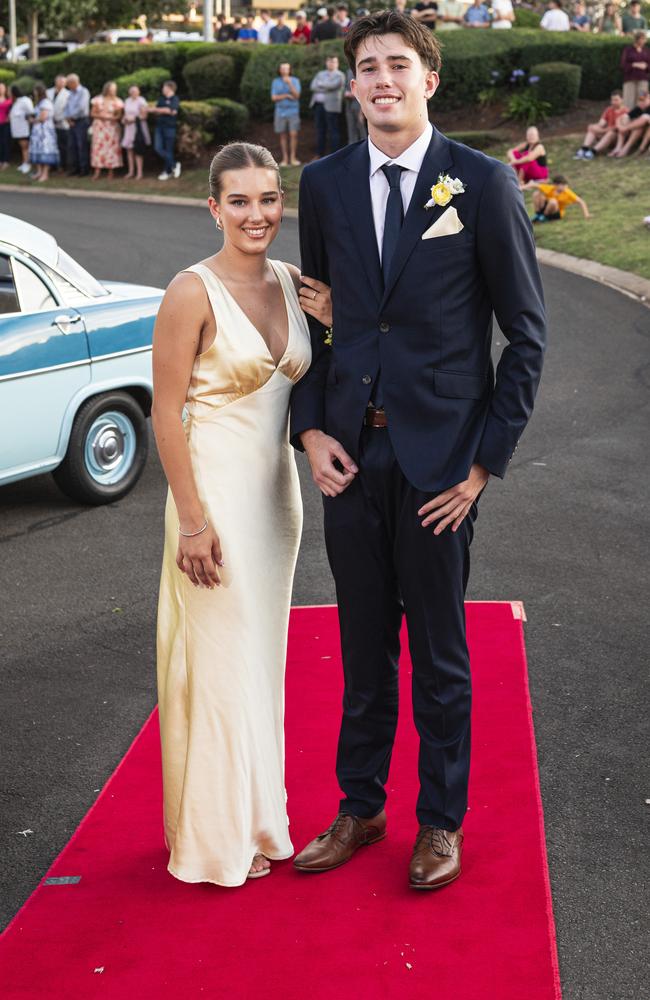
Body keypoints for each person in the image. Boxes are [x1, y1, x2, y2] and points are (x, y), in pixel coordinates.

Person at [291, 10, 546, 889]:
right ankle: (360, 808)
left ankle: (440, 822)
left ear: (429, 80)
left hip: (442, 465)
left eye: (399, 65)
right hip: (350, 458)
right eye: (368, 67)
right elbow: (316, 323)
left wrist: (482, 467)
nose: (383, 80)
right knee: (363, 649)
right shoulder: (322, 185)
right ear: (351, 84)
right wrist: (310, 429)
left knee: (440, 654)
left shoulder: (481, 182)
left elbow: (527, 336)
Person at [152, 141, 314, 886]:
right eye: (241, 201)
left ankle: (258, 818)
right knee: (219, 667)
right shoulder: (191, 290)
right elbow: (164, 412)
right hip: (211, 498)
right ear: (213, 207)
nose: (258, 214)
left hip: (276, 498)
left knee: (259, 667)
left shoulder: (291, 282)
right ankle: (215, 843)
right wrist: (191, 519)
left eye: (270, 199)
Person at [310, 54, 345, 158]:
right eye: (329, 61)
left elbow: (334, 85)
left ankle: (335, 156)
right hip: (318, 105)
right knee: (320, 130)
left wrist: (321, 84)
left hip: (332, 106)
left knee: (333, 130)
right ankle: (319, 154)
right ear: (326, 62)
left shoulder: (340, 75)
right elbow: (313, 86)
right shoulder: (320, 73)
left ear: (337, 63)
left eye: (334, 61)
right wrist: (326, 86)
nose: (331, 63)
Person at [574, 90, 628, 157]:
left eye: (616, 100)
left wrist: (602, 130)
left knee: (611, 133)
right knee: (592, 128)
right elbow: (601, 123)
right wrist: (593, 127)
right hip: (606, 133)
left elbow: (616, 128)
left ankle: (593, 152)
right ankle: (584, 149)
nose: (613, 102)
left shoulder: (626, 111)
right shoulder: (609, 109)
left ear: (622, 100)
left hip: (616, 138)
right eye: (612, 100)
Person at [90, 81, 124, 181]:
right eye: (111, 89)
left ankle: (111, 171)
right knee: (98, 148)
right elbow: (92, 113)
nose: (113, 91)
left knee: (111, 149)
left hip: (112, 128)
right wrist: (102, 116)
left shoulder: (118, 101)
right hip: (100, 127)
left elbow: (119, 115)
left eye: (114, 89)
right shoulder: (98, 99)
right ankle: (97, 171)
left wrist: (112, 118)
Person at [271, 61, 301, 166]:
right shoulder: (275, 81)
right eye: (282, 68)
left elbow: (297, 96)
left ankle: (293, 158)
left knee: (293, 134)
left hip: (293, 111)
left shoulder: (295, 81)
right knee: (283, 135)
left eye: (286, 68)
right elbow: (274, 98)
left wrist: (289, 84)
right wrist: (286, 96)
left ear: (289, 70)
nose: (284, 70)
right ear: (279, 70)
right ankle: (285, 158)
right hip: (280, 112)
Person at [28, 84, 59, 182]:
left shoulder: (45, 102)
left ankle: (45, 174)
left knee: (45, 151)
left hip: (44, 132)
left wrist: (32, 120)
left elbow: (43, 117)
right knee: (37, 151)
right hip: (37, 132)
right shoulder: (39, 103)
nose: (34, 93)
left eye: (35, 91)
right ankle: (39, 172)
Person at [151, 80, 180, 181]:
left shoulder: (175, 99)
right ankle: (174, 164)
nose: (162, 89)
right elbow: (159, 112)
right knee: (158, 148)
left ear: (169, 88)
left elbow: (172, 111)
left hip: (170, 128)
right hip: (159, 127)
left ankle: (167, 172)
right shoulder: (161, 99)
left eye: (164, 87)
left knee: (169, 150)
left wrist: (159, 110)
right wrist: (162, 110)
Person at [607, 89, 650, 155]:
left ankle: (628, 148)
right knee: (626, 120)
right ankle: (619, 147)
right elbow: (621, 118)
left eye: (644, 100)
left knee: (639, 124)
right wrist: (620, 126)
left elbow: (644, 119)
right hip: (640, 133)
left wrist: (625, 128)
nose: (642, 102)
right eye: (640, 100)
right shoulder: (639, 108)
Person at [122, 84, 151, 180]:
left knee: (138, 150)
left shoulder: (141, 101)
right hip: (129, 128)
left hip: (138, 128)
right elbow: (125, 114)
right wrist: (124, 120)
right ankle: (131, 171)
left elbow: (144, 116)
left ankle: (139, 172)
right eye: (131, 92)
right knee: (129, 150)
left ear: (138, 92)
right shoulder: (127, 101)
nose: (133, 93)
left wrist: (133, 119)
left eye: (135, 91)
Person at [64, 74, 91, 177]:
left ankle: (84, 169)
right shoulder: (70, 94)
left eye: (68, 84)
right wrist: (67, 117)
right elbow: (66, 106)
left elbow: (81, 108)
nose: (68, 86)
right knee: (72, 146)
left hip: (81, 121)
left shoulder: (84, 92)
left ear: (74, 82)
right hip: (72, 122)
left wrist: (71, 117)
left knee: (81, 145)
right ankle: (74, 168)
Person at [620, 31, 650, 111]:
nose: (644, 41)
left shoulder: (647, 50)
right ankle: (627, 117)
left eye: (645, 39)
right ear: (637, 39)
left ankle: (640, 118)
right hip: (630, 79)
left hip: (643, 79)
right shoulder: (628, 50)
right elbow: (623, 64)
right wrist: (635, 64)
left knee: (642, 99)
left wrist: (646, 66)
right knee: (628, 99)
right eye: (643, 39)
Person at [46, 75, 69, 172]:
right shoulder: (48, 92)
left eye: (63, 82)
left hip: (62, 123)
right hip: (49, 122)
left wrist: (58, 118)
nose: (61, 83)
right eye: (60, 81)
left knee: (62, 146)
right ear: (56, 82)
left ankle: (62, 165)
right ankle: (52, 165)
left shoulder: (68, 94)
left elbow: (67, 109)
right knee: (51, 145)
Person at [9, 84, 33, 175]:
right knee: (22, 147)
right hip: (18, 130)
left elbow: (30, 112)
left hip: (24, 128)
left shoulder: (25, 100)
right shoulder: (17, 101)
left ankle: (27, 163)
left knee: (25, 146)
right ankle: (24, 162)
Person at [345, 65, 367, 143]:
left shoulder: (364, 70)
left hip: (360, 105)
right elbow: (346, 87)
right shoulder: (348, 71)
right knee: (351, 129)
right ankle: (352, 151)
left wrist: (362, 111)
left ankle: (365, 151)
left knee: (361, 129)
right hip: (349, 105)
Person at [0, 82, 11, 170]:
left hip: (5, 124)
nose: (1, 89)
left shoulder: (9, 99)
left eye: (2, 88)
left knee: (5, 142)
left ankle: (6, 161)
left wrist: (9, 117)